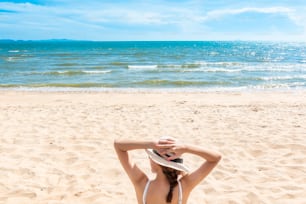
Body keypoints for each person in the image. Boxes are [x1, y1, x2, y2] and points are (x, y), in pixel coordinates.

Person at [114, 136, 222, 204]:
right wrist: (186, 148)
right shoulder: (185, 185)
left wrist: (149, 143)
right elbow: (216, 158)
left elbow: (118, 144)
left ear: (156, 162)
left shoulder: (141, 183)